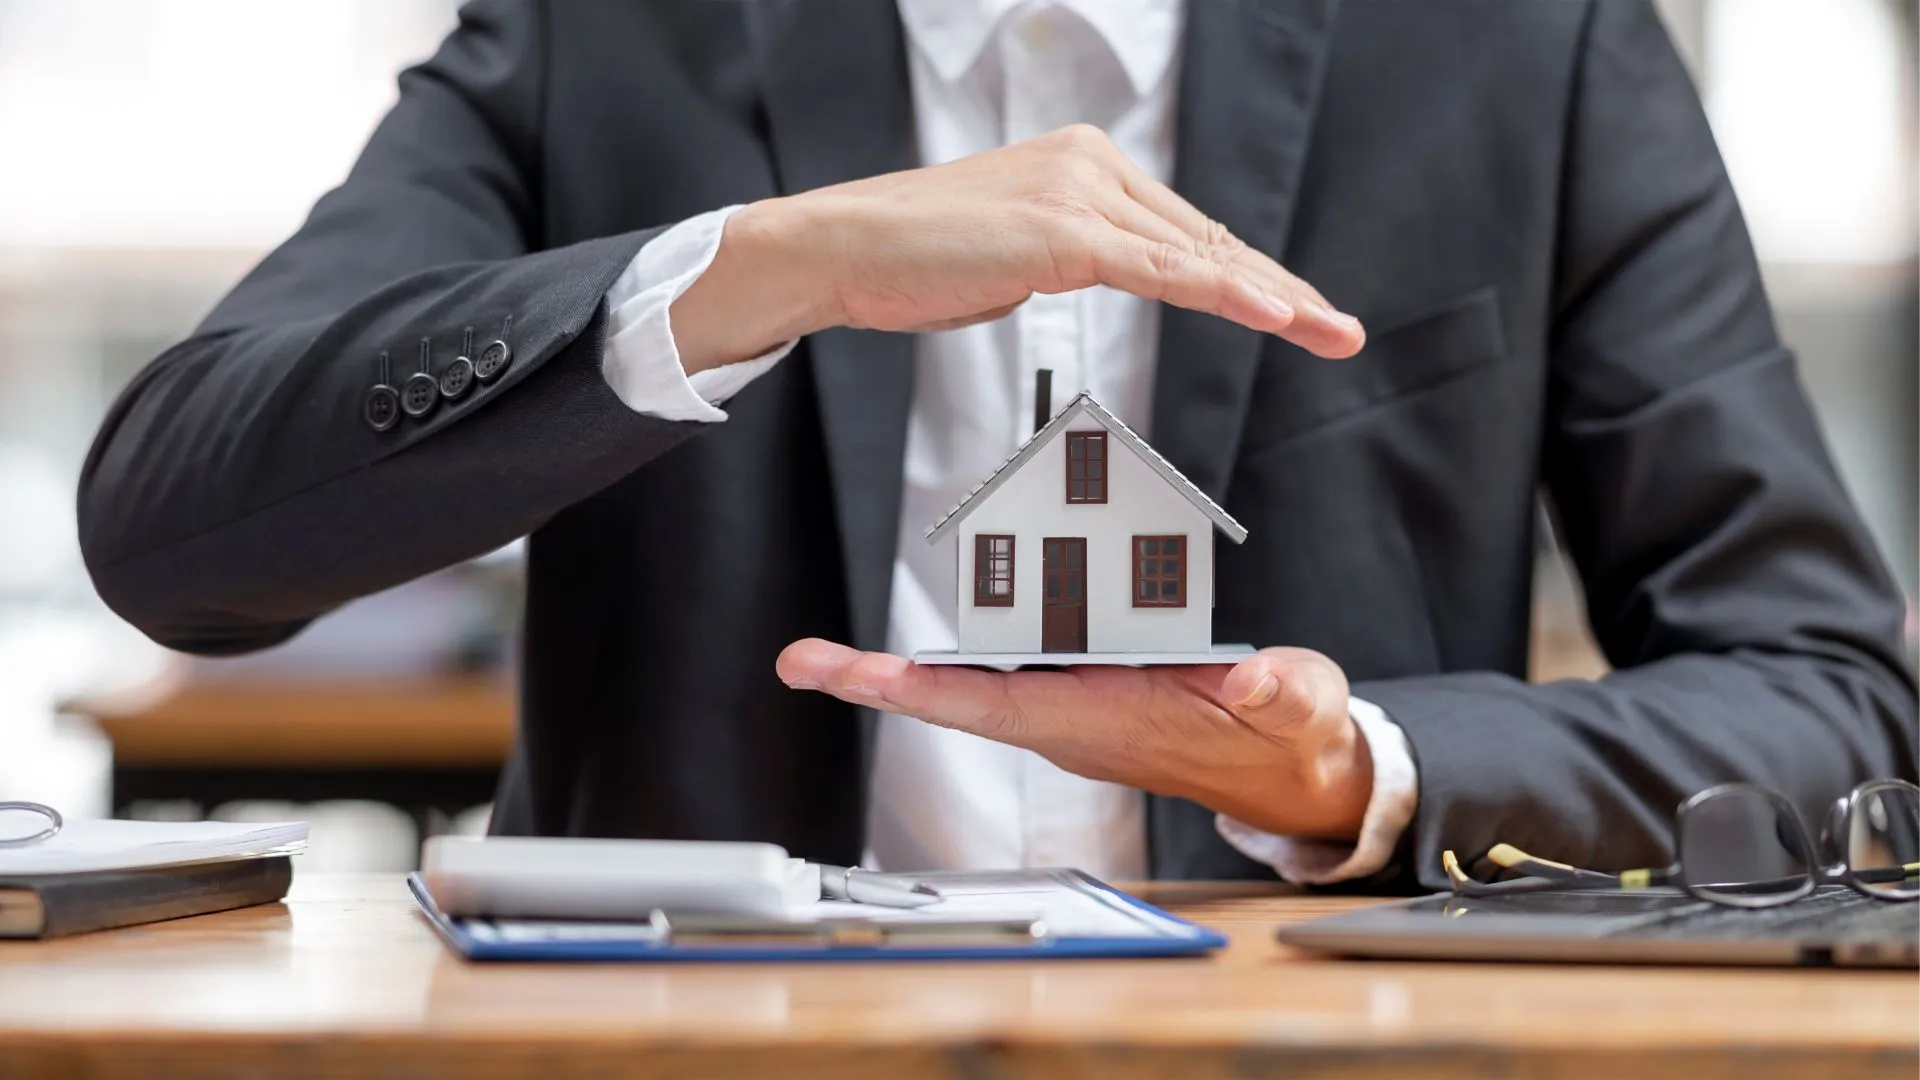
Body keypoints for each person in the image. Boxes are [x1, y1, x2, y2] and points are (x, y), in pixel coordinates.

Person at [77, 0, 1916, 890]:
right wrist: (759, 265)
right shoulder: (608, 35)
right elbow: (172, 530)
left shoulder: (1523, 45)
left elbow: (1834, 693)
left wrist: (1363, 766)